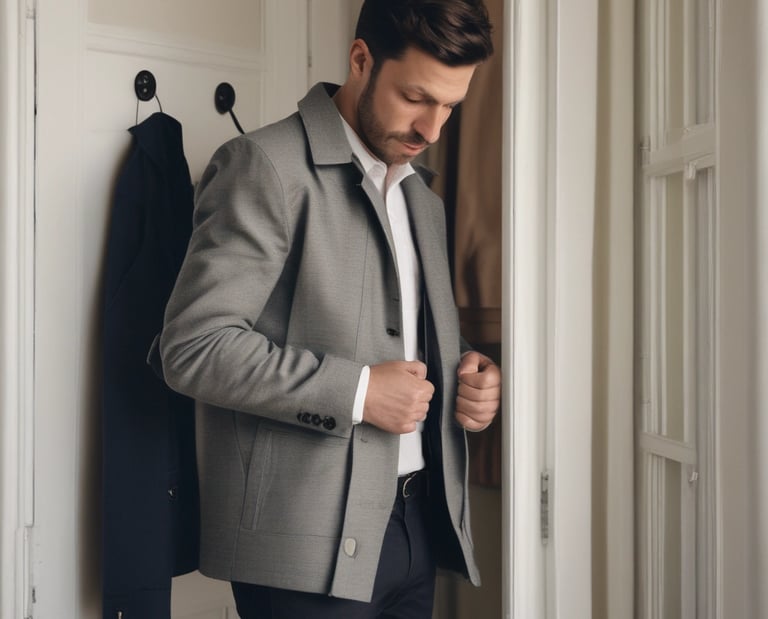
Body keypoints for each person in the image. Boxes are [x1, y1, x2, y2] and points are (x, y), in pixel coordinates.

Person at [159, 1, 500, 617]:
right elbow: (192, 347)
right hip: (302, 551)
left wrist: (468, 379)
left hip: (416, 525)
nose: (432, 130)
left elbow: (399, 341)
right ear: (361, 60)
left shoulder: (424, 200)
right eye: (416, 97)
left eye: (451, 106)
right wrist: (359, 391)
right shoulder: (263, 167)